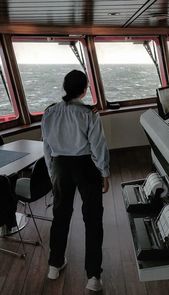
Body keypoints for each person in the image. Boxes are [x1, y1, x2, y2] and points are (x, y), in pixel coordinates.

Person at [41, 69, 110, 292]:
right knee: (92, 219)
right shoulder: (89, 114)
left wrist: (53, 172)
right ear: (84, 89)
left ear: (65, 87)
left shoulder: (49, 113)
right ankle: (93, 276)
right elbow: (98, 147)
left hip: (61, 166)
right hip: (85, 166)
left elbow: (47, 147)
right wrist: (105, 173)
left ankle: (54, 264)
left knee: (60, 215)